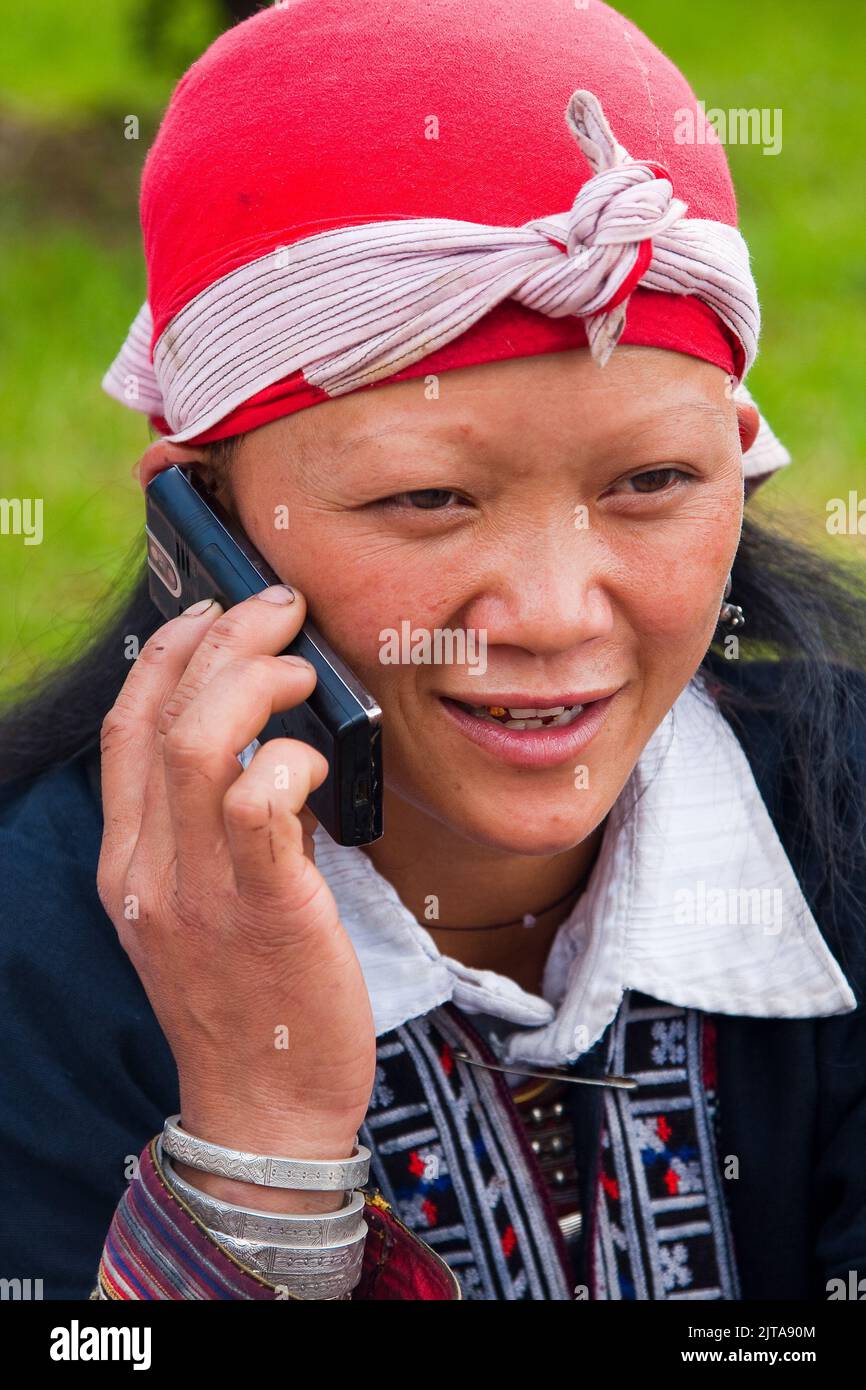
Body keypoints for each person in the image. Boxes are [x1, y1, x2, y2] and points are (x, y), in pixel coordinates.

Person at [2, 0, 865, 1302]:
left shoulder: (844, 831)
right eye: (426, 500)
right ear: (209, 515)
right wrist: (257, 1134)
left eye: (651, 479)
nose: (554, 612)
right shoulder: (31, 961)